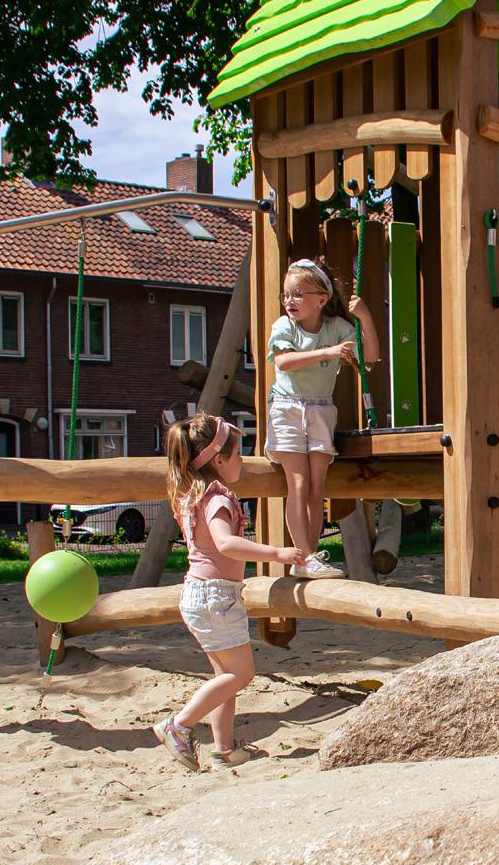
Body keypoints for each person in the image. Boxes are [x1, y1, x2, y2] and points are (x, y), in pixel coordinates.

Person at [153, 412, 305, 772]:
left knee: (224, 675)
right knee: (241, 674)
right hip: (215, 597)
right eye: (237, 454)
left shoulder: (196, 494)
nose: (242, 461)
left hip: (203, 595)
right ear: (218, 460)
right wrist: (276, 553)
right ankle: (179, 725)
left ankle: (223, 750)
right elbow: (225, 543)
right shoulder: (217, 498)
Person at [266, 257, 380, 578]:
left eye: (298, 294)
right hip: (287, 408)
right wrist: (327, 352)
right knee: (299, 484)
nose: (290, 300)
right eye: (287, 294)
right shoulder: (284, 326)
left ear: (321, 299)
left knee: (317, 488)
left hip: (320, 410)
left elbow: (370, 356)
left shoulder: (336, 328)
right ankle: (302, 558)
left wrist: (365, 317)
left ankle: (310, 557)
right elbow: (284, 362)